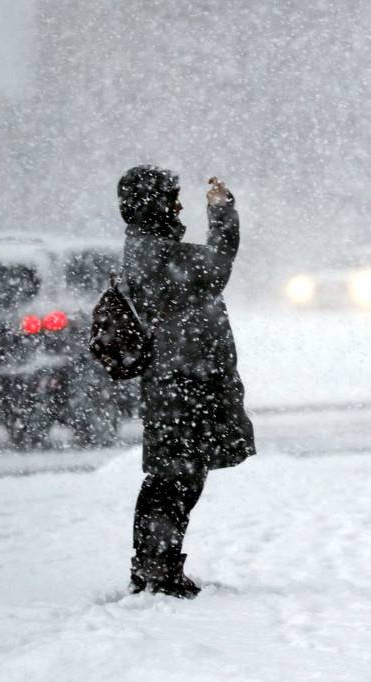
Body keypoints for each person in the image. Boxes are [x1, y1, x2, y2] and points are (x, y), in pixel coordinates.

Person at [118, 165, 255, 598]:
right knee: (174, 475)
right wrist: (222, 213)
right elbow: (217, 266)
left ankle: (156, 565)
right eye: (171, 197)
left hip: (184, 377)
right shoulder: (154, 253)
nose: (178, 206)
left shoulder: (151, 248)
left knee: (179, 473)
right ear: (153, 203)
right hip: (181, 380)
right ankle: (157, 568)